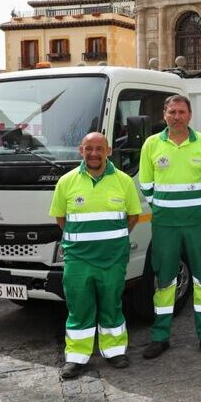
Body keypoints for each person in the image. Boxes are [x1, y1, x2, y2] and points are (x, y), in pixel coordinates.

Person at [49, 132, 141, 379]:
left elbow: (133, 215)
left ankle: (114, 351)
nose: (94, 153)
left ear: (109, 151)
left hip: (113, 258)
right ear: (81, 150)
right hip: (78, 259)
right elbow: (61, 218)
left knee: (112, 305)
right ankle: (77, 358)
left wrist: (112, 238)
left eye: (100, 148)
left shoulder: (123, 181)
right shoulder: (67, 182)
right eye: (89, 148)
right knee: (79, 307)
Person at [139, 95, 201, 359]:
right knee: (164, 281)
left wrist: (197, 209)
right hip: (165, 225)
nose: (177, 116)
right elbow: (147, 186)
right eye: (172, 111)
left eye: (181, 112)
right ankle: (160, 336)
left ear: (190, 115)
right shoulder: (152, 144)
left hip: (197, 224)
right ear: (164, 114)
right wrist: (165, 208)